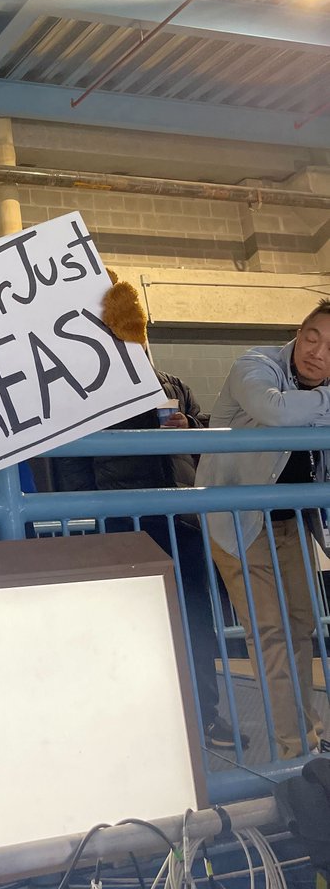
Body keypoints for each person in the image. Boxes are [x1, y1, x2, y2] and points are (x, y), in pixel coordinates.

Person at [56, 370, 246, 750]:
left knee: (196, 621)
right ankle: (141, 721)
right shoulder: (86, 388)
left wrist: (190, 425)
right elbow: (73, 463)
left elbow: (206, 441)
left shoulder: (175, 384)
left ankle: (205, 717)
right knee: (133, 625)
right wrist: (93, 520)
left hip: (184, 519)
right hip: (126, 525)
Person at [196, 300, 330, 759]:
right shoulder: (255, 364)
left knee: (301, 627)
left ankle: (306, 735)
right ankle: (296, 753)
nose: (317, 353)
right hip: (239, 521)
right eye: (312, 337)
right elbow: (271, 410)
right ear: (299, 332)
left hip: (290, 521)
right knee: (271, 634)